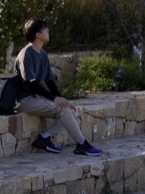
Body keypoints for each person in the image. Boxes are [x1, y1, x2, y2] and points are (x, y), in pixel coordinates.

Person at [15, 18, 103, 156]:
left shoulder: (42, 54)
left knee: (70, 110)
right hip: (26, 100)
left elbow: (50, 81)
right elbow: (30, 83)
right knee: (64, 111)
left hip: (37, 98)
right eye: (45, 29)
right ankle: (82, 144)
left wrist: (61, 98)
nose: (48, 32)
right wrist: (53, 98)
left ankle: (44, 138)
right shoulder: (26, 54)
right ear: (38, 34)